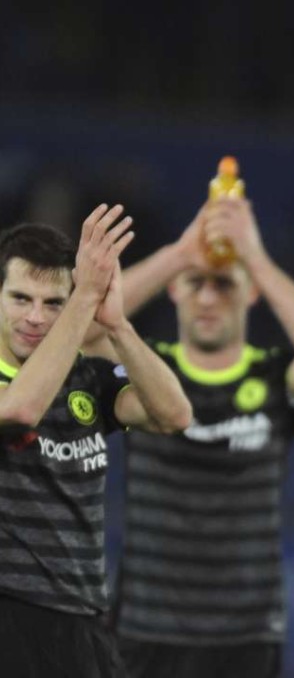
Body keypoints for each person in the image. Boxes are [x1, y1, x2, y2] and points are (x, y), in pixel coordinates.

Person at [91, 196, 294, 678]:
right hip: (145, 628)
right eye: (196, 283)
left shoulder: (275, 375)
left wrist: (255, 258)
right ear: (175, 290)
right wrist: (180, 253)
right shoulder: (146, 367)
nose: (209, 297)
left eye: (223, 283)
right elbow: (83, 331)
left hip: (245, 633)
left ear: (249, 292)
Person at [0, 205, 193, 678]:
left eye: (53, 304)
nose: (35, 317)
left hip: (85, 620)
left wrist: (118, 327)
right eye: (21, 298)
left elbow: (174, 414)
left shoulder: (85, 375)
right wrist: (83, 297)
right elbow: (19, 411)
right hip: (11, 616)